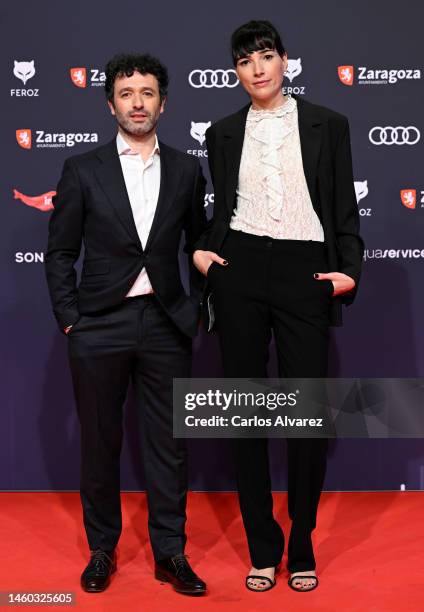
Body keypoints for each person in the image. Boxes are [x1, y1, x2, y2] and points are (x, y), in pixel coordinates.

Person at [194, 20, 364, 592]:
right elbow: (220, 212)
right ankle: (262, 546)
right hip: (238, 269)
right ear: (235, 71)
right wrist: (203, 256)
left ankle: (303, 540)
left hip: (304, 269)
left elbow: (343, 207)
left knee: (305, 417)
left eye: (266, 56)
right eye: (245, 61)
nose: (257, 68)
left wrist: (347, 273)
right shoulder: (220, 133)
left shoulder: (329, 125)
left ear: (284, 61)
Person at [45, 53, 207, 595]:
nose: (137, 103)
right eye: (126, 93)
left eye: (147, 93)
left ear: (164, 102)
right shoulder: (82, 169)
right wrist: (71, 319)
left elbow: (200, 245)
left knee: (169, 445)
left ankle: (171, 553)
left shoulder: (187, 168)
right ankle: (100, 551)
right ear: (110, 102)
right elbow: (61, 250)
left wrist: (197, 308)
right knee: (100, 442)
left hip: (165, 325)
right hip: (99, 326)